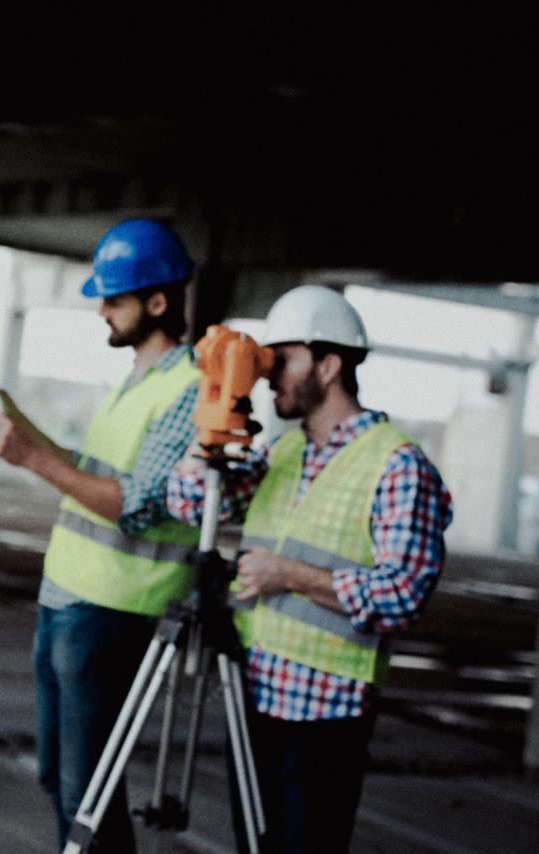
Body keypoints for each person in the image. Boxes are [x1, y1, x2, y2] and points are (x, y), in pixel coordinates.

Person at [165, 284, 453, 853]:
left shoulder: (397, 466)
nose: (268, 373)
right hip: (255, 693)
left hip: (327, 710)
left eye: (283, 358)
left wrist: (289, 575)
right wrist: (217, 409)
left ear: (329, 364)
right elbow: (189, 502)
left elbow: (405, 595)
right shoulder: (283, 452)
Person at [0, 219, 203, 852]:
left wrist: (32, 459)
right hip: (68, 598)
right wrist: (13, 423)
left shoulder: (189, 390)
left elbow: (132, 505)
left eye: (115, 299)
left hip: (114, 610)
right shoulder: (137, 382)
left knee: (90, 791)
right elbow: (86, 474)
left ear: (157, 302)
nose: (101, 310)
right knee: (60, 780)